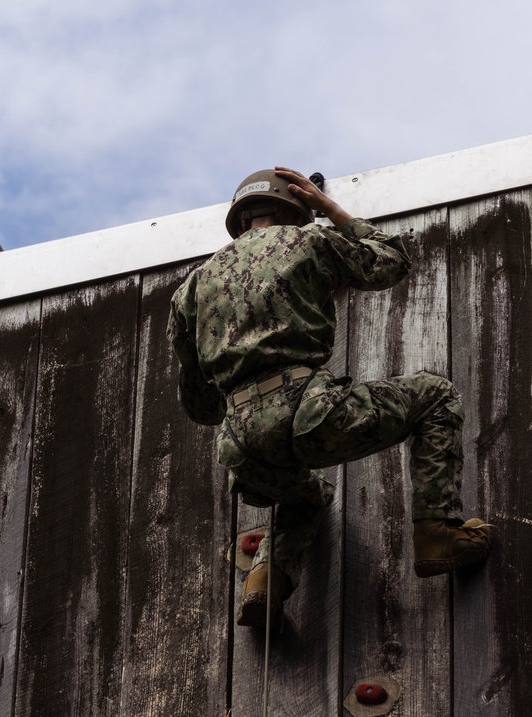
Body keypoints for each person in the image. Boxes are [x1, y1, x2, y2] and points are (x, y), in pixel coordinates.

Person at [166, 167, 491, 629]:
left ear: (239, 220)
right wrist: (332, 210)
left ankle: (264, 581)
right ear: (298, 210)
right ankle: (438, 533)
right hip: (309, 410)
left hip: (240, 443)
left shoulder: (191, 289)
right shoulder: (309, 242)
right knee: (436, 396)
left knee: (304, 499)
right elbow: (390, 261)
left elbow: (199, 404)